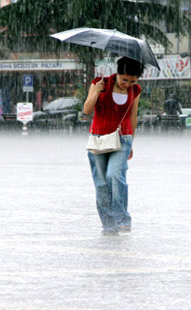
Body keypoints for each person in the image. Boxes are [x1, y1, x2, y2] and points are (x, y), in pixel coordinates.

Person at [83, 56, 143, 236]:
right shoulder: (100, 83)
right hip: (98, 139)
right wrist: (96, 92)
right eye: (124, 79)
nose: (128, 84)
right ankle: (108, 224)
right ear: (117, 73)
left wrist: (132, 141)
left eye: (132, 81)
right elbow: (86, 110)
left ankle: (122, 219)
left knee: (115, 174)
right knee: (101, 183)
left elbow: (133, 116)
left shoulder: (135, 90)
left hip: (122, 139)